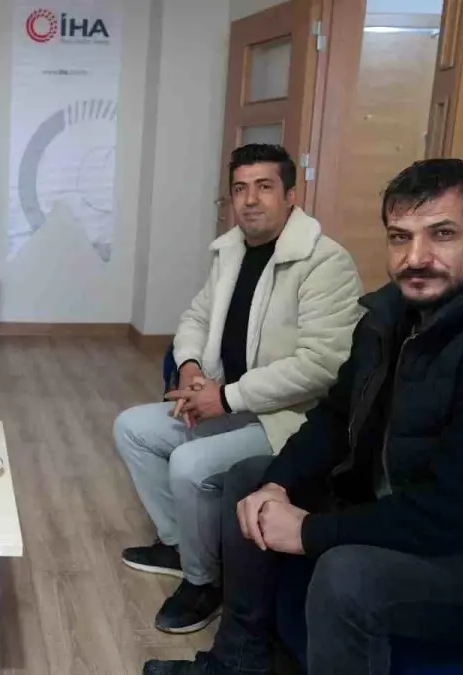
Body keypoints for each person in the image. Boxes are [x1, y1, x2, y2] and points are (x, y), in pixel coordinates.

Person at [143, 158, 463, 675]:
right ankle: (236, 663)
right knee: (250, 480)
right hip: (398, 504)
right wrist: (277, 485)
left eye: (442, 234)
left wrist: (310, 531)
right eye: (400, 237)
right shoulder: (389, 313)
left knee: (346, 574)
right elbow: (335, 416)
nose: (416, 258)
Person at [113, 143, 363, 634]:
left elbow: (322, 365)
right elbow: (195, 317)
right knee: (132, 428)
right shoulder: (231, 251)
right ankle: (182, 545)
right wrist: (190, 367)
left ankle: (203, 581)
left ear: (291, 195)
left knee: (190, 464)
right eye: (240, 188)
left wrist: (225, 397)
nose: (250, 200)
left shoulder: (325, 262)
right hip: (231, 400)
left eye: (264, 187)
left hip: (291, 418)